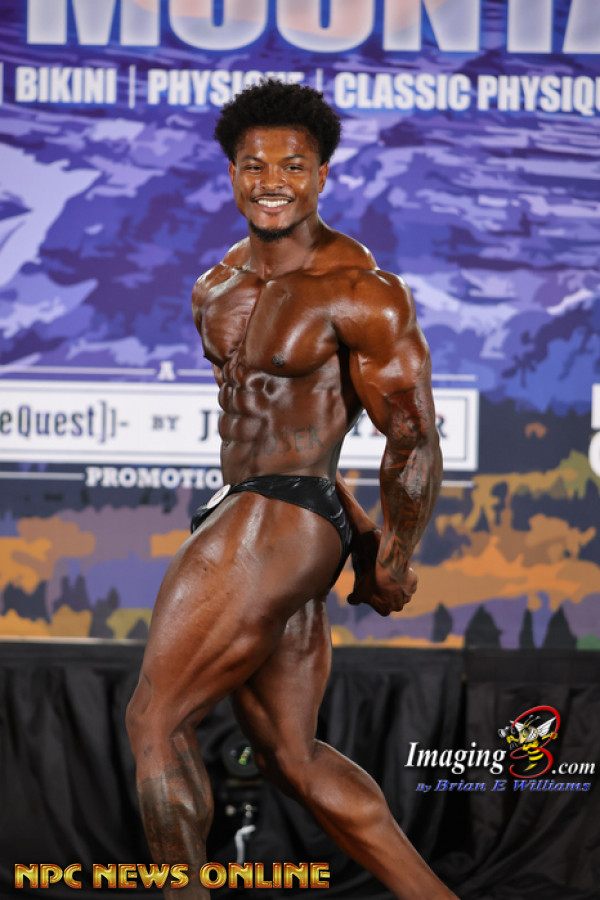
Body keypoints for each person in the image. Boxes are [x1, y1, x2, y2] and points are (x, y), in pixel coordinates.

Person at [126, 79, 455, 900]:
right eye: (254, 165)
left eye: (293, 166)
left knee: (156, 721)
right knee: (291, 758)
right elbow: (283, 441)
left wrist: (392, 556)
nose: (272, 181)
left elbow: (411, 435)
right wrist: (355, 530)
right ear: (232, 174)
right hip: (276, 511)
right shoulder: (215, 287)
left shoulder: (361, 289)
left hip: (278, 520)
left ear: (321, 175)